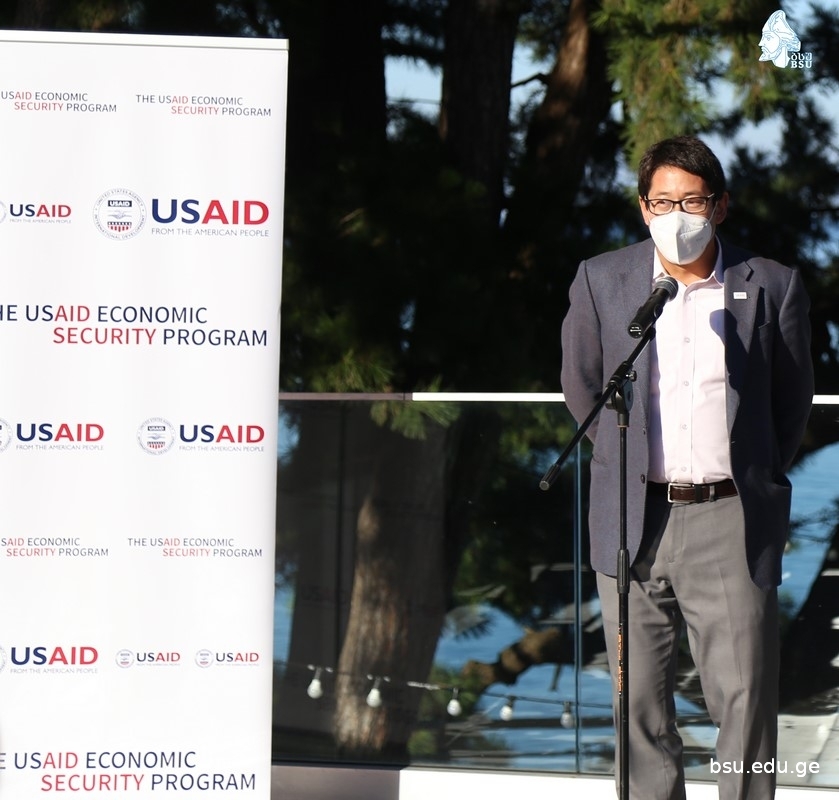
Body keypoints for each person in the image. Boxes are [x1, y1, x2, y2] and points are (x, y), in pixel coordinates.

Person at [560, 135, 814, 800]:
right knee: (638, 710)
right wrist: (625, 466)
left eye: (692, 201)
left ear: (720, 206)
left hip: (729, 518)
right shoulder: (602, 280)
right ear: (643, 207)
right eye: (662, 201)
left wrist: (753, 474)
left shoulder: (770, 284)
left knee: (743, 705)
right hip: (631, 517)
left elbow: (790, 405)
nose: (677, 215)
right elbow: (583, 388)